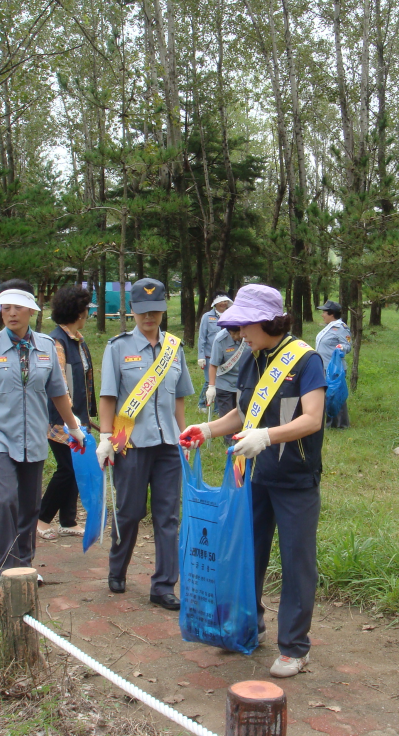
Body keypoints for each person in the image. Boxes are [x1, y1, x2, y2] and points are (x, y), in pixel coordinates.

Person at [180, 284, 326, 679]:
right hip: (255, 477)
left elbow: (312, 418)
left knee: (297, 563)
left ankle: (295, 647)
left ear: (266, 319)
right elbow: (243, 415)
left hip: (295, 478)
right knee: (248, 553)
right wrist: (207, 429)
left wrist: (268, 436)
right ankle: (249, 625)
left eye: (245, 325)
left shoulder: (306, 360)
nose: (240, 333)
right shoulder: (252, 359)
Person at [0, 280, 84, 578]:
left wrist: (73, 427)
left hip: (33, 436)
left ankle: (24, 565)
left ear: (30, 311)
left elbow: (59, 393)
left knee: (28, 506)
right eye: (5, 308)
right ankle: (5, 567)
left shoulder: (47, 347)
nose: (11, 313)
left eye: (18, 308)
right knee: (5, 498)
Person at [95, 277, 194, 611]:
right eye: (142, 312)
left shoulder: (174, 348)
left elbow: (179, 398)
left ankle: (164, 585)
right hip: (131, 442)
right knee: (130, 511)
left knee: (168, 516)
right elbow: (108, 396)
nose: (149, 318)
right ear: (132, 312)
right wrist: (106, 437)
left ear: (163, 309)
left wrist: (184, 437)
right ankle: (117, 568)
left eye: (155, 311)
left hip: (167, 443)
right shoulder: (117, 348)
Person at [37, 285, 98, 540]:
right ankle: (40, 518)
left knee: (77, 464)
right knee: (67, 468)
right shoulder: (57, 342)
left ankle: (68, 520)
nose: (88, 314)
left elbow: (84, 379)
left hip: (78, 417)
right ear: (78, 312)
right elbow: (58, 383)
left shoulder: (78, 341)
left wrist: (87, 414)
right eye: (86, 310)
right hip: (60, 418)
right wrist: (70, 417)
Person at [206, 325, 247, 445]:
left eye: (236, 333)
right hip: (224, 382)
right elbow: (213, 364)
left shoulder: (248, 336)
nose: (234, 337)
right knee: (226, 414)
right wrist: (211, 386)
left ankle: (242, 439)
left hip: (243, 382)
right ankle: (230, 443)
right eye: (231, 334)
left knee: (242, 413)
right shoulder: (220, 339)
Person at [315, 300, 352, 429]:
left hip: (335, 369)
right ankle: (331, 423)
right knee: (329, 397)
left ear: (331, 313)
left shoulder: (341, 327)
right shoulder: (329, 327)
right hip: (324, 367)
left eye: (324, 312)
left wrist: (341, 347)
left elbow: (348, 346)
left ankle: (341, 425)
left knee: (336, 397)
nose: (322, 314)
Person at [197, 294, 233, 410]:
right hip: (209, 355)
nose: (223, 304)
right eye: (220, 302)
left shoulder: (230, 315)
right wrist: (201, 356)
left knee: (220, 381)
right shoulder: (207, 317)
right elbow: (202, 337)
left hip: (225, 355)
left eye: (225, 302)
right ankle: (202, 404)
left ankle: (218, 408)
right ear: (215, 303)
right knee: (209, 381)